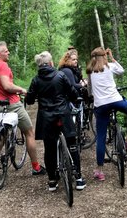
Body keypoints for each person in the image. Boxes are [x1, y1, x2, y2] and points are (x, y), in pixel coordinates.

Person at [0, 41, 46, 180]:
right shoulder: (3, 65)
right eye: (6, 51)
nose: (8, 52)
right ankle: (36, 167)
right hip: (13, 105)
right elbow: (6, 86)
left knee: (0, 138)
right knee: (29, 132)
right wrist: (22, 90)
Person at [25, 51, 86, 191]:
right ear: (51, 63)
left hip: (46, 118)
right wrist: (76, 98)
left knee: (50, 148)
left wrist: (30, 98)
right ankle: (78, 179)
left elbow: (29, 99)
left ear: (39, 66)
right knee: (72, 145)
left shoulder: (36, 80)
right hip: (63, 114)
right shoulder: (60, 75)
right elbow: (71, 92)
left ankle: (52, 180)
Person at [86, 47, 127, 181]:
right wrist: (112, 57)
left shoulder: (90, 71)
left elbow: (90, 91)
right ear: (104, 57)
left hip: (100, 106)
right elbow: (122, 70)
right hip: (115, 101)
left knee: (101, 137)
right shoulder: (110, 66)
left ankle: (100, 171)